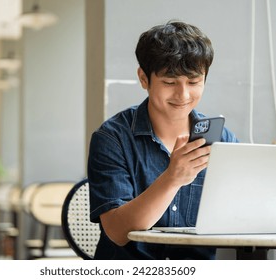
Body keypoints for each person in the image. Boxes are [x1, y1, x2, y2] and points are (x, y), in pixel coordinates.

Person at [88, 20, 238, 260]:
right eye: (169, 82)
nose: (183, 95)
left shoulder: (221, 140)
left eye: (193, 82)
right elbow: (117, 232)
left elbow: (240, 213)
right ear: (144, 78)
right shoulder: (112, 138)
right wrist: (172, 178)